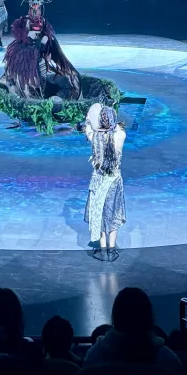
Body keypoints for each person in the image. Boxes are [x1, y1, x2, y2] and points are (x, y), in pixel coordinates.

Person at [0, 0, 81, 102]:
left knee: (41, 69)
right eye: (33, 2)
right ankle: (25, 91)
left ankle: (41, 93)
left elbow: (48, 30)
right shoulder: (24, 20)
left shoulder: (43, 21)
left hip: (39, 50)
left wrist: (46, 37)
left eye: (37, 2)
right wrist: (27, 35)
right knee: (25, 71)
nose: (35, 5)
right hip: (26, 50)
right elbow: (15, 29)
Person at [84, 105, 126, 261]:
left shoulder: (94, 137)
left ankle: (102, 249)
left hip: (98, 180)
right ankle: (112, 250)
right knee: (113, 213)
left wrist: (89, 120)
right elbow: (117, 128)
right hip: (114, 181)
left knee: (100, 213)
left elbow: (88, 129)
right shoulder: (120, 136)